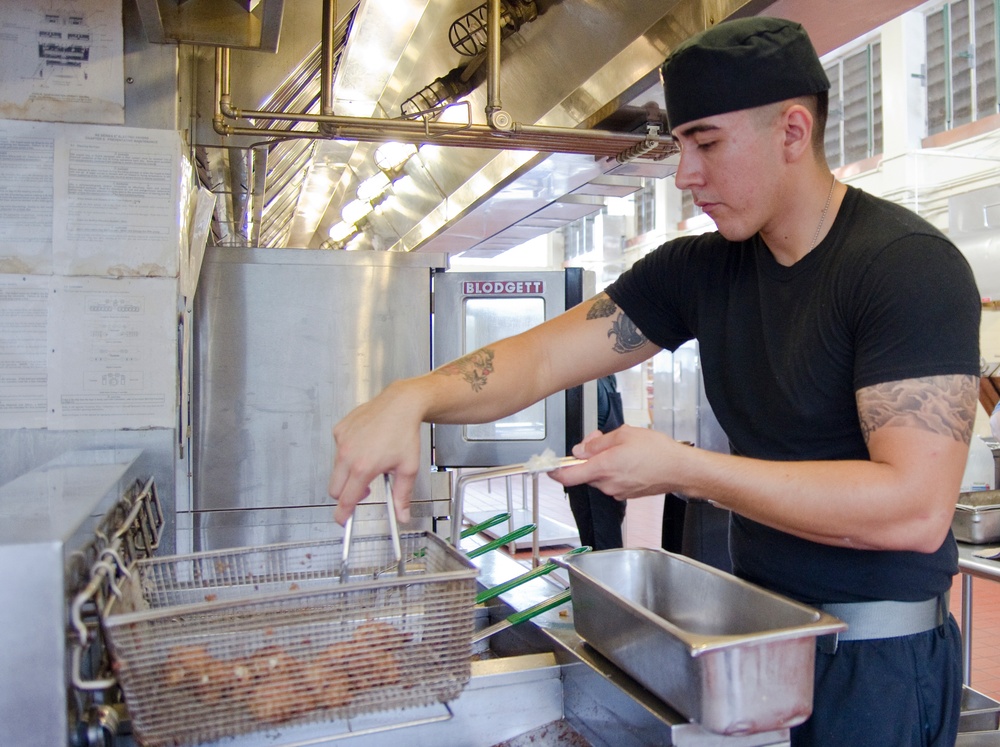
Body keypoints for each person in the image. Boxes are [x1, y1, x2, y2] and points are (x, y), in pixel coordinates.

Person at [329, 16, 981, 746]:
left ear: (792, 132)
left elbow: (912, 508)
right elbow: (541, 358)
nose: (685, 174)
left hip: (874, 665)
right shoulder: (700, 270)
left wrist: (683, 469)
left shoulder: (904, 269)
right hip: (753, 648)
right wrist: (410, 396)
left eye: (705, 142)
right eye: (679, 145)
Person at [565, 374, 626, 550]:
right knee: (602, 546)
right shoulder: (595, 379)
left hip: (602, 474)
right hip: (596, 476)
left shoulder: (600, 379)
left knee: (604, 547)